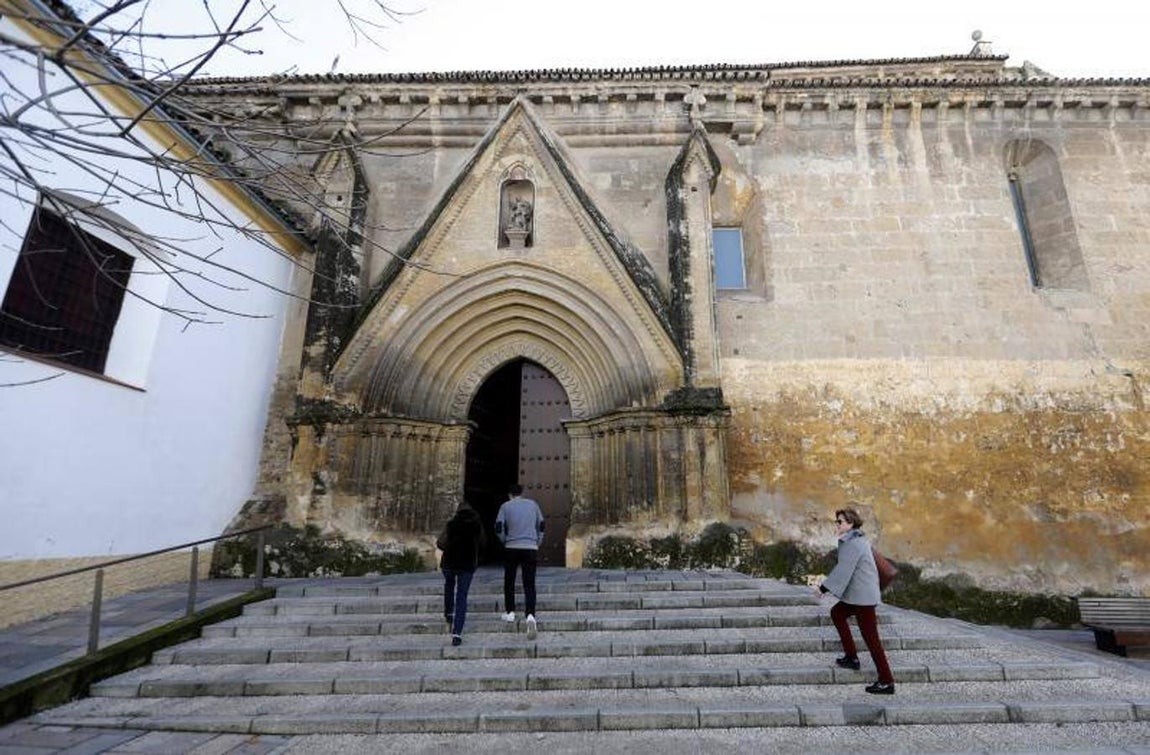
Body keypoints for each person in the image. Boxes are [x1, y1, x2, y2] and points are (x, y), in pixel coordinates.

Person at [815, 506, 896, 694]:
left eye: (840, 521)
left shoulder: (854, 543)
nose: (837, 524)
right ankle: (851, 657)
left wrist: (822, 588)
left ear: (850, 524)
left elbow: (843, 569)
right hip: (857, 595)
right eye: (837, 521)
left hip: (863, 598)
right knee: (837, 613)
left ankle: (887, 681)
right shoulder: (853, 540)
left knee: (872, 640)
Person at [495, 483, 545, 639]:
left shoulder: (505, 506)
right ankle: (530, 615)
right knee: (529, 583)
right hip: (530, 547)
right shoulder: (533, 505)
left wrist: (505, 541)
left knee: (509, 580)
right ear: (522, 493)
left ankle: (510, 612)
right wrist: (537, 541)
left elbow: (498, 527)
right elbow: (542, 524)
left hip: (512, 547)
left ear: (510, 494)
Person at [437, 503, 485, 646]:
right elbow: (483, 543)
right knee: (462, 596)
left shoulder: (451, 524)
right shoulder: (476, 526)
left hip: (449, 563)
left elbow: (440, 543)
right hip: (467, 564)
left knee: (449, 586)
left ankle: (448, 613)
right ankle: (457, 633)